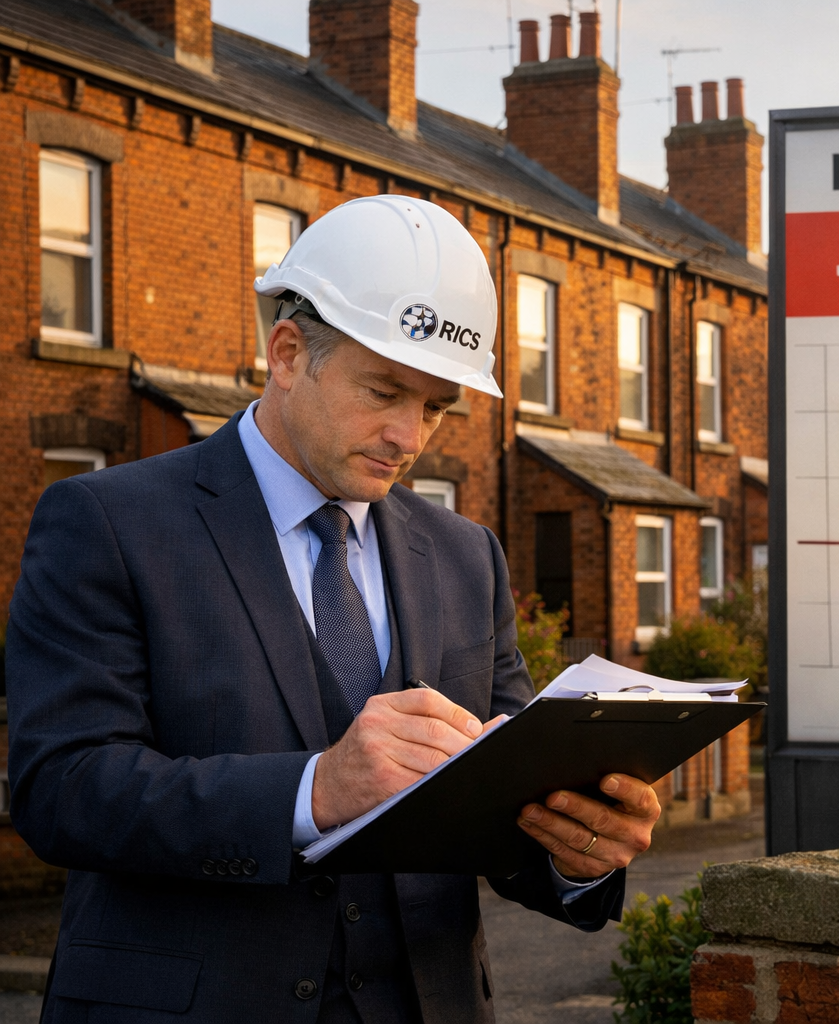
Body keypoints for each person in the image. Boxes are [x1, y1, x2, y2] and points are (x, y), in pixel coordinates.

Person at [5, 195, 660, 1023]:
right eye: (383, 391)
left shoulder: (467, 558)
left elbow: (499, 798)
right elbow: (62, 788)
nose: (408, 435)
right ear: (287, 353)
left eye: (434, 406)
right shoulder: (108, 523)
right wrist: (313, 789)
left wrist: (582, 847)